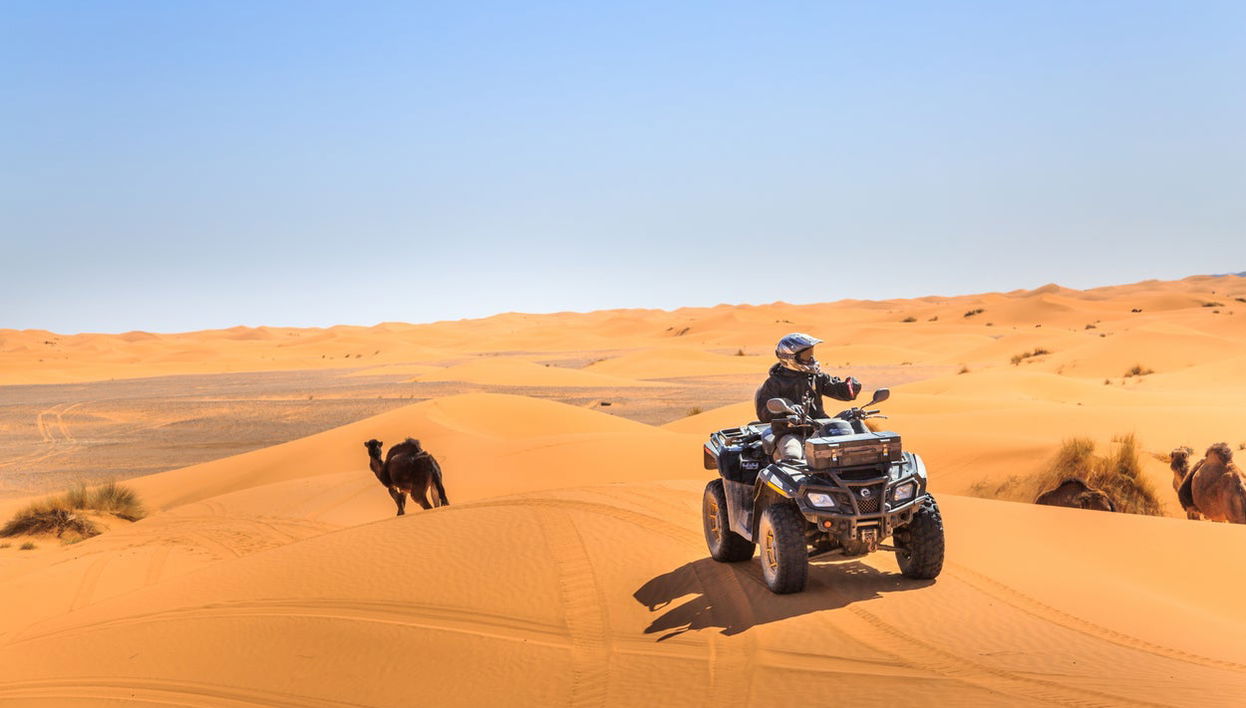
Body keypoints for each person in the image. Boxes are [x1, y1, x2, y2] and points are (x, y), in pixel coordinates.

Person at [754, 333, 861, 461]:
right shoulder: (774, 383)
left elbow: (837, 389)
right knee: (792, 453)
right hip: (789, 432)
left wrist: (850, 388)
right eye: (806, 355)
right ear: (789, 358)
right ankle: (788, 473)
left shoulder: (816, 377)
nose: (811, 358)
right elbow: (764, 413)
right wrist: (787, 410)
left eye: (811, 354)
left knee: (856, 437)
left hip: (821, 428)